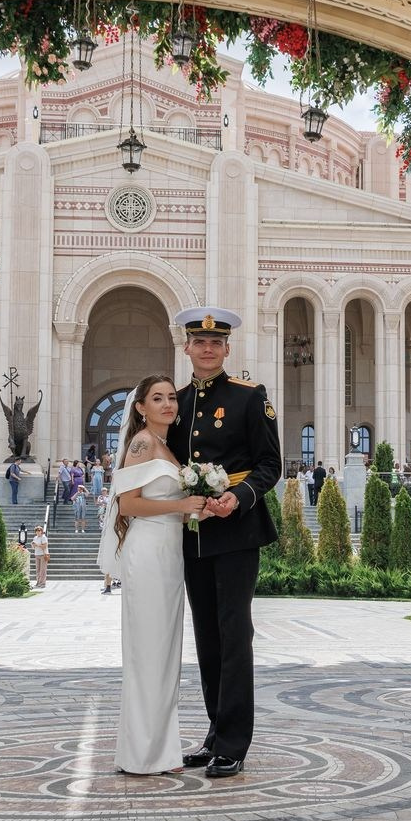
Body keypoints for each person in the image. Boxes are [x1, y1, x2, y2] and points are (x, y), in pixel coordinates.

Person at [167, 306, 282, 779]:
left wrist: (239, 496)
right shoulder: (175, 403)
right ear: (187, 347)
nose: (208, 348)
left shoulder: (249, 397)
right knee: (207, 638)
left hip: (236, 530)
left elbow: (270, 464)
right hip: (194, 533)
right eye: (200, 341)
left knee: (234, 636)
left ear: (227, 349)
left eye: (216, 342)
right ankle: (215, 734)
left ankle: (234, 743)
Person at [99, 373, 207, 776]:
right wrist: (181, 507)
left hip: (168, 551)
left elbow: (170, 501)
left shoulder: (165, 445)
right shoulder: (143, 443)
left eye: (171, 398)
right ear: (141, 407)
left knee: (164, 652)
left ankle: (159, 749)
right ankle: (142, 754)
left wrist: (197, 509)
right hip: (147, 551)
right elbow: (128, 504)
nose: (167, 404)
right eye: (157, 398)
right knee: (148, 651)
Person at [30, 523, 49, 588]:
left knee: (42, 570)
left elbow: (45, 546)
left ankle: (43, 583)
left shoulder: (43, 537)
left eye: (39, 530)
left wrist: (37, 545)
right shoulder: (35, 538)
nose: (38, 532)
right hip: (37, 554)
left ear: (41, 531)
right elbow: (34, 547)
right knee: (38, 569)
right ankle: (38, 582)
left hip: (43, 555)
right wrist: (33, 545)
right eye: (36, 531)